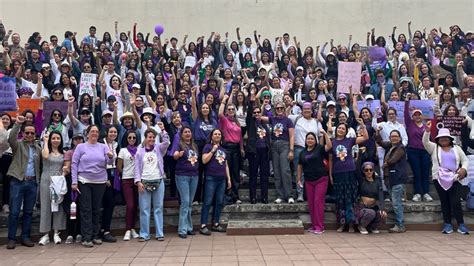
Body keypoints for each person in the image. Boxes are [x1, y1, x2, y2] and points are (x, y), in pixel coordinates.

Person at [423, 123, 470, 235]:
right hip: (439, 178)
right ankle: (447, 224)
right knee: (445, 201)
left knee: (455, 201)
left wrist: (463, 169)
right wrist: (427, 131)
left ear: (450, 139)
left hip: (455, 178)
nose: (443, 139)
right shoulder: (434, 148)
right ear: (438, 139)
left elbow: (465, 160)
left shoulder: (457, 148)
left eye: (446, 138)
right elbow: (425, 142)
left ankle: (461, 224)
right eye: (441, 138)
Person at [71, 125, 113, 248]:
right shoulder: (80, 147)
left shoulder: (103, 146)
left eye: (96, 131)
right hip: (84, 181)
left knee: (96, 209)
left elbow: (109, 163)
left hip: (100, 182)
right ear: (87, 133)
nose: (94, 133)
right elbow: (74, 164)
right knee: (86, 209)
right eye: (92, 131)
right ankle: (86, 237)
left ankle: (95, 235)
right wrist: (74, 182)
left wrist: (111, 156)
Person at [6, 115, 41, 249]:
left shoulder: (37, 148)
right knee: (14, 212)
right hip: (18, 181)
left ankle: (25, 237)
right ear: (23, 134)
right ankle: (11, 239)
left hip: (32, 183)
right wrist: (17, 124)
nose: (30, 135)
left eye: (32, 133)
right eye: (27, 133)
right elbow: (10, 138)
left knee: (28, 212)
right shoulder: (18, 145)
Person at [329, 118, 368, 233]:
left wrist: (362, 125)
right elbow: (330, 160)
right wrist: (330, 174)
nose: (341, 130)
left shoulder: (350, 140)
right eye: (339, 128)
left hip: (350, 172)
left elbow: (365, 137)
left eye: (343, 129)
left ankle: (351, 224)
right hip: (337, 173)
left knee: (351, 199)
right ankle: (342, 224)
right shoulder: (332, 142)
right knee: (340, 200)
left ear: (346, 131)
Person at [134, 125, 169, 242]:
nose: (152, 139)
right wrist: (138, 182)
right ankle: (144, 234)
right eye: (149, 137)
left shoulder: (158, 148)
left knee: (158, 207)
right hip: (144, 182)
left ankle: (159, 233)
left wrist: (163, 131)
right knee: (144, 209)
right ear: (145, 138)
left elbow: (167, 142)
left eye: (153, 137)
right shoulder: (139, 152)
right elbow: (137, 169)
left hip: (158, 180)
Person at [297, 131, 332, 234]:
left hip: (321, 179)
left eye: (312, 138)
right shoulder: (302, 152)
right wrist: (299, 178)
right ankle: (314, 225)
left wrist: (325, 134)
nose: (310, 140)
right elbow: (300, 166)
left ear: (315, 140)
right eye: (308, 139)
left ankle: (320, 227)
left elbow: (329, 146)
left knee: (318, 203)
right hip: (308, 181)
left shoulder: (319, 149)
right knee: (311, 204)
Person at [375, 129, 409, 233]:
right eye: (392, 136)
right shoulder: (390, 146)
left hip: (398, 179)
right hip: (390, 179)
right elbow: (380, 142)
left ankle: (400, 225)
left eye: (396, 136)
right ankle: (399, 224)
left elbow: (393, 160)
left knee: (396, 203)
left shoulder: (400, 148)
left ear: (400, 138)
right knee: (395, 203)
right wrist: (377, 133)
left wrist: (385, 164)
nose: (394, 138)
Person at [199, 129, 231, 235]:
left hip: (222, 179)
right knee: (207, 202)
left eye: (219, 134)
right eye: (215, 134)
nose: (217, 135)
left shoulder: (224, 149)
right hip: (211, 178)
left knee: (219, 202)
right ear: (211, 136)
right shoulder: (207, 147)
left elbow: (226, 165)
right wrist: (213, 150)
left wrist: (229, 179)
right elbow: (204, 160)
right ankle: (203, 225)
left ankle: (216, 223)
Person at [38, 131, 67, 245]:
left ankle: (56, 233)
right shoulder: (46, 150)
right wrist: (45, 141)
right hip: (46, 180)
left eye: (58, 138)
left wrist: (64, 173)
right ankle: (45, 234)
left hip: (58, 182)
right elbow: (45, 156)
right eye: (53, 138)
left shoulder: (63, 153)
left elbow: (65, 167)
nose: (55, 140)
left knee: (58, 206)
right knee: (45, 206)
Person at [171, 126, 199, 239]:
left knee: (189, 203)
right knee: (185, 202)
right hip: (182, 176)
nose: (187, 134)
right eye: (185, 132)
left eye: (189, 132)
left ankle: (189, 228)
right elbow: (174, 155)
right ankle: (182, 229)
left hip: (194, 176)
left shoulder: (194, 146)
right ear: (181, 134)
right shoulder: (179, 144)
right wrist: (178, 155)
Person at [218, 94, 243, 204]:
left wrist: (242, 148)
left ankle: (236, 195)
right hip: (227, 147)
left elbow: (240, 137)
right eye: (229, 109)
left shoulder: (237, 122)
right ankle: (228, 195)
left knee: (235, 172)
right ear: (227, 111)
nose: (231, 111)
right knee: (227, 172)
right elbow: (219, 113)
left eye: (233, 109)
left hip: (236, 148)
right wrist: (224, 101)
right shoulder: (224, 120)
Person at [268, 101, 295, 204]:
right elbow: (259, 117)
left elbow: (292, 136)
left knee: (285, 170)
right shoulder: (272, 119)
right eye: (277, 108)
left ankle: (289, 195)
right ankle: (280, 195)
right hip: (274, 146)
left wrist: (291, 150)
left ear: (284, 109)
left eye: (281, 108)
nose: (279, 110)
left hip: (285, 145)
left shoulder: (288, 120)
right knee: (277, 171)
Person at [404, 106, 432, 202]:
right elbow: (405, 114)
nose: (417, 116)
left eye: (419, 115)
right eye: (415, 115)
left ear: (422, 116)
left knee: (425, 173)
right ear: (412, 117)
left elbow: (429, 139)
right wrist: (407, 101)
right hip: (413, 152)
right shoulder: (410, 124)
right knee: (417, 173)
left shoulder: (426, 126)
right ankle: (418, 193)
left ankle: (426, 193)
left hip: (425, 152)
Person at [117, 130, 140, 241]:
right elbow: (119, 167)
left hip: (138, 180)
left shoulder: (139, 150)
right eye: (129, 138)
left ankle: (133, 228)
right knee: (130, 205)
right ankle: (127, 230)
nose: (131, 140)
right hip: (127, 180)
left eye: (134, 138)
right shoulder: (122, 150)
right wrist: (125, 173)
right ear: (126, 138)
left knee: (136, 206)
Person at [63, 133, 84, 244]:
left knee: (82, 207)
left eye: (80, 139)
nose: (78, 141)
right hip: (72, 181)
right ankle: (71, 233)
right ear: (72, 141)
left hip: (84, 180)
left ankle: (80, 232)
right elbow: (68, 168)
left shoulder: (86, 151)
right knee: (72, 208)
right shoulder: (69, 152)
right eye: (76, 139)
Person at [99, 125, 119, 242]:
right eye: (111, 132)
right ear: (107, 133)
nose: (113, 134)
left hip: (113, 175)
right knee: (105, 203)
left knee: (110, 204)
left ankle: (105, 229)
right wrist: (105, 177)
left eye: (115, 132)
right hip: (103, 175)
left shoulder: (116, 144)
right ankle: (101, 230)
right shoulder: (102, 144)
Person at [356, 162, 387, 234]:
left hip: (373, 207)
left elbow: (381, 196)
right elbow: (357, 170)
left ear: (373, 170)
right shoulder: (361, 181)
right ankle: (361, 226)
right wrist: (360, 153)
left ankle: (372, 227)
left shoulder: (377, 182)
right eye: (366, 170)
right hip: (362, 208)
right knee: (371, 213)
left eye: (370, 170)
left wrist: (382, 209)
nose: (369, 172)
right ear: (363, 171)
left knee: (382, 214)